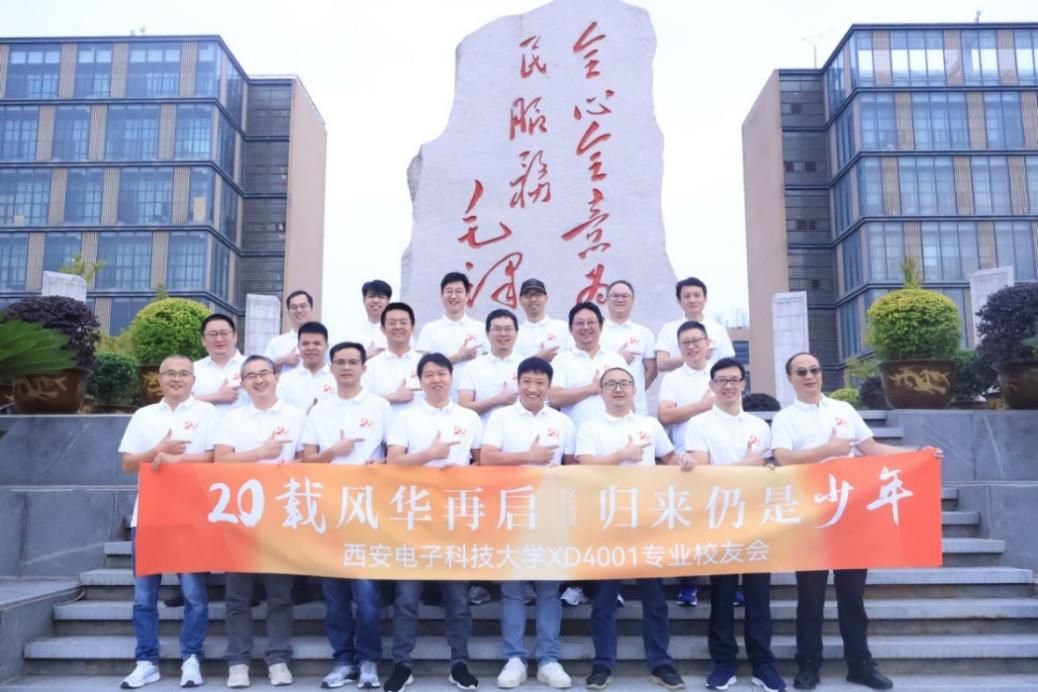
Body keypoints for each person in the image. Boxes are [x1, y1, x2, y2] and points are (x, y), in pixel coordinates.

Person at [771, 352, 943, 691]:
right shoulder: (785, 418)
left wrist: (916, 454)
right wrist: (828, 450)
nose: (809, 376)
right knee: (810, 597)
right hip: (810, 516)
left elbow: (871, 448)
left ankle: (860, 665)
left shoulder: (843, 410)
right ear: (790, 378)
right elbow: (783, 458)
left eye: (814, 370)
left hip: (851, 515)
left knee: (852, 596)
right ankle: (808, 665)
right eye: (801, 372)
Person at [575, 366, 688, 691]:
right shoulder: (591, 427)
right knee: (605, 599)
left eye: (624, 383)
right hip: (607, 522)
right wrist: (621, 455)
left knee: (655, 599)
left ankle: (661, 663)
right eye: (611, 384)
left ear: (634, 389)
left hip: (646, 521)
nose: (618, 389)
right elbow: (585, 465)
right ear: (601, 391)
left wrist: (684, 461)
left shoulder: (649, 424)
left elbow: (669, 456)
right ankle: (602, 664)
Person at [683, 358, 787, 692]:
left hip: (757, 520)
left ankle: (763, 664)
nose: (728, 386)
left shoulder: (759, 426)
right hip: (719, 520)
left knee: (759, 597)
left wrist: (750, 467)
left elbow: (769, 469)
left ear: (744, 383)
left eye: (734, 379)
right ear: (712, 386)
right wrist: (746, 465)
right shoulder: (699, 424)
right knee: (722, 595)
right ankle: (724, 663)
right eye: (721, 380)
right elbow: (702, 472)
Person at [383, 353, 483, 692]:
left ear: (452, 378)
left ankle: (459, 664)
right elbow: (393, 462)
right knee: (406, 598)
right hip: (414, 518)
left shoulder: (469, 418)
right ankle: (402, 664)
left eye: (442, 373)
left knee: (458, 599)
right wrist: (430, 455)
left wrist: (464, 472)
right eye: (429, 374)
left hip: (455, 518)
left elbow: (483, 462)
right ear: (420, 380)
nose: (436, 379)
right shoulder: (406, 417)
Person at [118, 355, 217, 689]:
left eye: (184, 373)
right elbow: (128, 464)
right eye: (170, 373)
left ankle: (192, 658)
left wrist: (177, 459)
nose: (177, 379)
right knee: (144, 596)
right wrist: (157, 450)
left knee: (194, 595)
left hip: (192, 514)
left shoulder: (207, 412)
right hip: (149, 515)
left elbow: (214, 458)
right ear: (158, 379)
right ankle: (146, 661)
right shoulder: (144, 415)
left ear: (193, 379)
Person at [480, 357, 575, 690]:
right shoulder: (501, 417)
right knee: (513, 590)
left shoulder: (562, 422)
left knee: (549, 590)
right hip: (511, 514)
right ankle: (515, 658)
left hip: (551, 515)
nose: (533, 388)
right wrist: (528, 457)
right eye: (527, 381)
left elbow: (573, 466)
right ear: (517, 383)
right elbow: (486, 458)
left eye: (540, 382)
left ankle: (549, 659)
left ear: (549, 386)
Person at [213, 355, 307, 688]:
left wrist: (290, 467)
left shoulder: (297, 416)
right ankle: (238, 661)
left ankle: (278, 659)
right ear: (243, 383)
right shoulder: (232, 418)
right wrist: (260, 454)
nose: (258, 380)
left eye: (264, 373)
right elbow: (220, 460)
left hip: (282, 515)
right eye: (250, 375)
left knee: (280, 594)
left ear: (276, 376)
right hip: (241, 516)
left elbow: (308, 459)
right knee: (237, 595)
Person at [300, 342, 389, 689]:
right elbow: (306, 460)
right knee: (335, 594)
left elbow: (395, 454)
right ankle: (342, 660)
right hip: (328, 511)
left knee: (366, 594)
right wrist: (333, 452)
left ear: (364, 368)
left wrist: (382, 463)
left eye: (353, 362)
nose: (347, 367)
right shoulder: (319, 411)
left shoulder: (380, 407)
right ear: (332, 368)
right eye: (340, 362)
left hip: (368, 510)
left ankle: (368, 660)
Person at [656, 320, 716, 608]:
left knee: (720, 523)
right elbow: (666, 415)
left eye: (696, 340)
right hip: (685, 459)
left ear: (708, 343)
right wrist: (702, 406)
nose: (692, 346)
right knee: (688, 524)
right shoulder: (673, 379)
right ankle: (687, 582)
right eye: (686, 343)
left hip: (720, 460)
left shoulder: (720, 374)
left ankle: (725, 582)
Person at [548, 302, 627, 432]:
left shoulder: (616, 360)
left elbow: (629, 400)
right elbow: (554, 398)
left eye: (591, 322)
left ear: (601, 327)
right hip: (575, 435)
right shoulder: (561, 360)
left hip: (614, 434)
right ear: (570, 329)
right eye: (580, 323)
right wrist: (591, 388)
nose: (585, 327)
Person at [415, 272, 489, 397]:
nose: (453, 296)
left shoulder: (481, 328)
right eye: (449, 291)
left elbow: (489, 363)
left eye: (459, 291)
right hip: (439, 398)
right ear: (441, 295)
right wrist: (457, 357)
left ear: (467, 296)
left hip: (474, 398)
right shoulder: (429, 329)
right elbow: (422, 368)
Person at [599, 280, 657, 414]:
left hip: (637, 408)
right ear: (606, 300)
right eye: (615, 296)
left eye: (625, 296)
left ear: (633, 301)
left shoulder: (644, 333)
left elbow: (652, 371)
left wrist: (635, 389)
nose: (620, 299)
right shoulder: (597, 331)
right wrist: (618, 359)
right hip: (601, 406)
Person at [458, 308, 522, 425]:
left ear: (517, 333)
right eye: (497, 329)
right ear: (487, 333)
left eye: (508, 329)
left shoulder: (526, 365)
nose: (503, 333)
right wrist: (497, 400)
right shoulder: (473, 367)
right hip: (483, 431)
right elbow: (463, 407)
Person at [655, 278, 734, 373]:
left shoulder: (718, 330)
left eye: (697, 295)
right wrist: (699, 355)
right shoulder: (668, 329)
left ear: (705, 299)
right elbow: (661, 364)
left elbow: (728, 365)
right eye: (687, 296)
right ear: (679, 301)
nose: (692, 300)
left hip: (711, 381)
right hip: (678, 381)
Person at [362, 301, 424, 422]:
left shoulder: (425, 364)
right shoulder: (371, 366)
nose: (398, 327)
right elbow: (363, 405)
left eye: (403, 322)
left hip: (418, 430)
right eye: (392, 323)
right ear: (382, 329)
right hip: (383, 430)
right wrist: (393, 397)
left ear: (413, 328)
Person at [192, 313, 249, 414]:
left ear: (235, 336)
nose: (219, 339)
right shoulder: (193, 369)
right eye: (212, 334)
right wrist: (216, 396)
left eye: (224, 333)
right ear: (203, 340)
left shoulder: (251, 366)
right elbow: (179, 403)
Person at [276, 321, 335, 411]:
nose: (311, 348)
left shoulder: (337, 379)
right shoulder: (285, 380)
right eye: (305, 344)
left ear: (326, 347)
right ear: (298, 346)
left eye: (317, 343)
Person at [514, 278, 574, 361]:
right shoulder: (515, 333)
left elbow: (572, 357)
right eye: (527, 296)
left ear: (546, 298)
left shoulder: (563, 328)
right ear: (520, 300)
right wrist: (537, 359)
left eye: (538, 295)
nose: (533, 299)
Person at [264, 289, 315, 374]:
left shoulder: (325, 340)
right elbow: (262, 370)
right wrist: (282, 360)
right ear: (288, 313)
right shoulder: (276, 342)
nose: (299, 310)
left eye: (303, 306)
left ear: (311, 309)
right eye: (294, 307)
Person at [352, 279, 394, 359]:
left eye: (381, 297)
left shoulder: (398, 331)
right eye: (371, 296)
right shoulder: (352, 332)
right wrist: (364, 356)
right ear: (364, 300)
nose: (375, 300)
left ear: (388, 302)